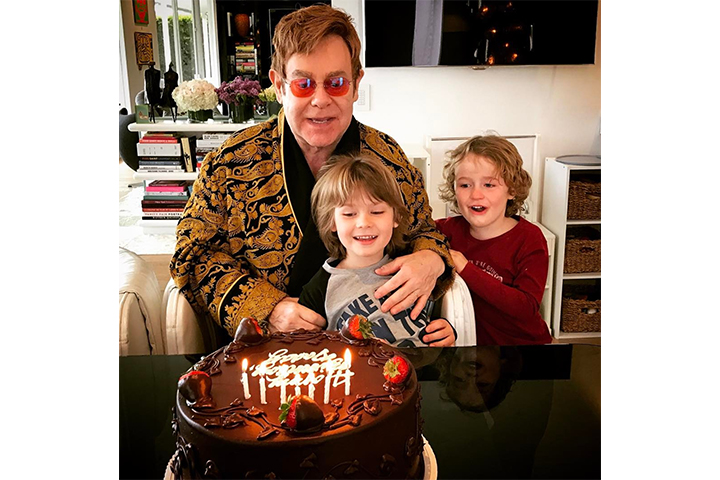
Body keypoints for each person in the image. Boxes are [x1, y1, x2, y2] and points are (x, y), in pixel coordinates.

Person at [170, 5, 453, 343]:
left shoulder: (388, 158)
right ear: (279, 86)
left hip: (375, 355)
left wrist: (431, 260)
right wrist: (266, 307)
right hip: (262, 352)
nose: (320, 100)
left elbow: (425, 231)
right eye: (303, 84)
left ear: (356, 85)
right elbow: (192, 254)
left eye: (336, 83)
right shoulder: (230, 163)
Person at [298, 154, 456, 347]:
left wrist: (446, 330)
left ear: (396, 217)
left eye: (377, 212)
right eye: (349, 214)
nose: (364, 223)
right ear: (332, 222)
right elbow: (310, 347)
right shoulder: (319, 289)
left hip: (423, 364)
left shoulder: (411, 265)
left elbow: (435, 316)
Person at [435, 135, 552, 345]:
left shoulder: (529, 238)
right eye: (465, 185)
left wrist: (466, 268)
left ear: (512, 190)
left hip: (524, 350)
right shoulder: (447, 230)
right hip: (473, 349)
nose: (476, 194)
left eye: (489, 184)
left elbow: (526, 307)